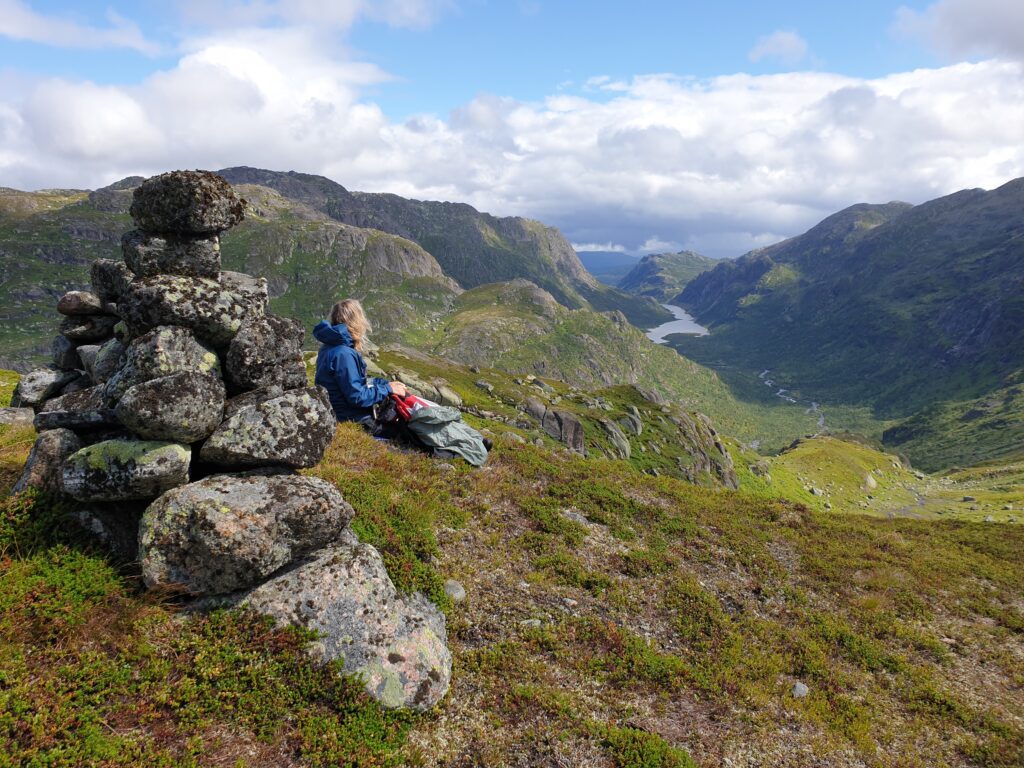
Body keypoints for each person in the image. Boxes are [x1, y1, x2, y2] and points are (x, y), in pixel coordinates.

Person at [313, 299, 407, 427]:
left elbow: (354, 382)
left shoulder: (331, 346)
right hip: (351, 418)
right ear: (356, 321)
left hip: (340, 413)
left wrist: (386, 384)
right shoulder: (344, 354)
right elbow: (357, 397)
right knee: (404, 430)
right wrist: (388, 389)